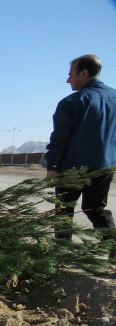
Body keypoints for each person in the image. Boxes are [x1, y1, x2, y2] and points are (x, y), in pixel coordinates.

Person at [45, 54, 116, 258]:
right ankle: (114, 251)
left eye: (71, 74)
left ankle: (61, 256)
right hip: (105, 166)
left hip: (73, 168)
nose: (68, 80)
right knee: (96, 209)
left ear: (83, 73)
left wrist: (52, 167)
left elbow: (60, 138)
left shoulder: (72, 102)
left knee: (64, 211)